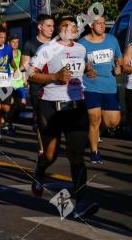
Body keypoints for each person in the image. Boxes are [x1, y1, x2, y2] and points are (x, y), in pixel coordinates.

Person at [28, 16, 98, 219]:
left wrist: (89, 70)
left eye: (73, 26)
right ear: (59, 30)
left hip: (76, 106)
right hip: (51, 106)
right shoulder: (47, 49)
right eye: (65, 26)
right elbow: (31, 74)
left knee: (77, 156)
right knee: (51, 155)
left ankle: (81, 202)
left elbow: (82, 67)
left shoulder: (81, 49)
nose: (70, 29)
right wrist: (54, 77)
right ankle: (40, 170)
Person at [79, 15, 123, 163]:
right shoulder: (82, 44)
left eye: (104, 23)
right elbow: (77, 66)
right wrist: (86, 69)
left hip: (109, 86)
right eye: (99, 23)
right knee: (94, 118)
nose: (103, 26)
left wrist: (118, 67)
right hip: (90, 86)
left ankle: (92, 132)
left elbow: (119, 59)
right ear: (91, 25)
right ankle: (94, 152)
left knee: (113, 122)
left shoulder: (112, 39)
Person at [21, 14, 55, 159]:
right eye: (48, 26)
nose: (52, 29)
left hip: (56, 87)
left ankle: (52, 144)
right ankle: (43, 149)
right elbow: (24, 66)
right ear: (40, 27)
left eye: (53, 26)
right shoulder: (30, 44)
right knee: (43, 119)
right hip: (38, 88)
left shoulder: (57, 43)